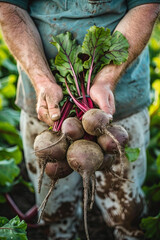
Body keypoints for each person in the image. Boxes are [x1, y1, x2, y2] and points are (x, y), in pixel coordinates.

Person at [0, 1, 160, 239]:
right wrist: (43, 81)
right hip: (45, 106)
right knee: (54, 212)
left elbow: (147, 5)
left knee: (127, 213)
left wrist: (106, 80)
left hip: (119, 104)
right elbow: (8, 7)